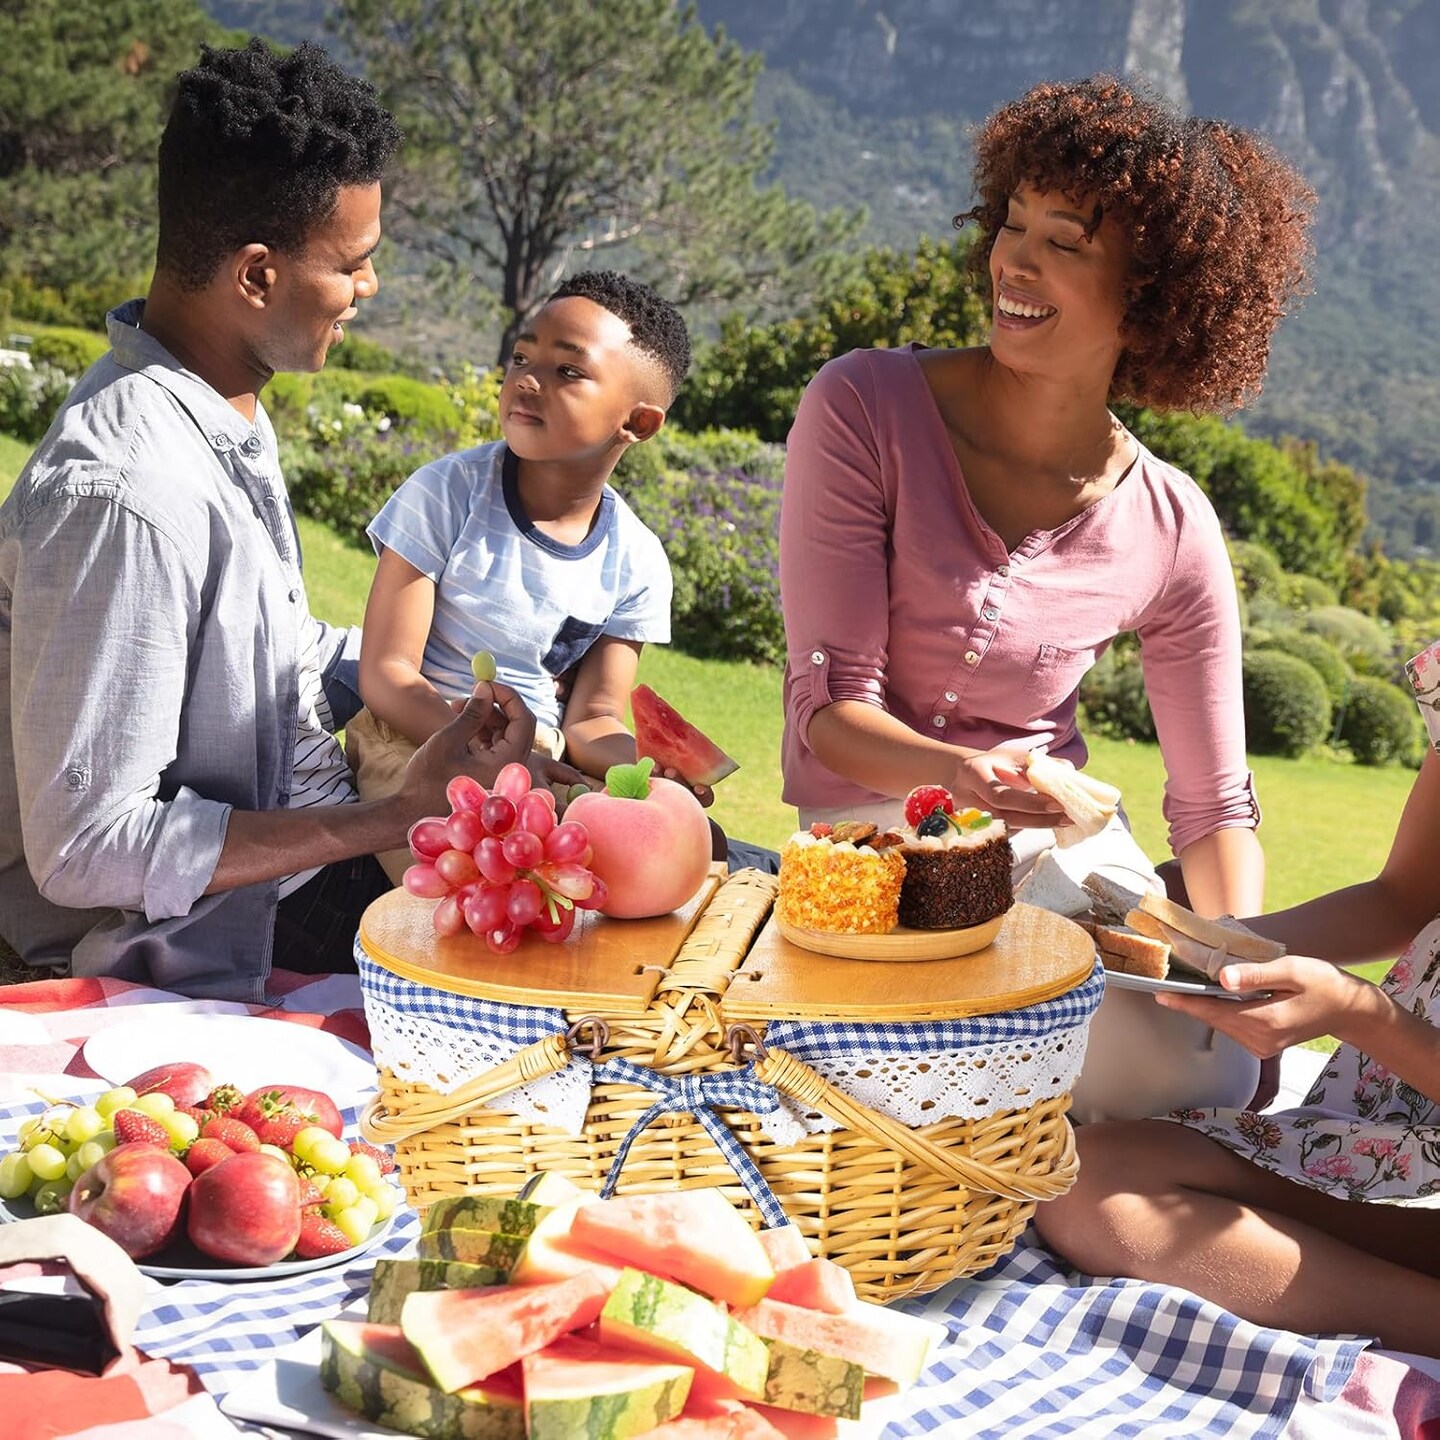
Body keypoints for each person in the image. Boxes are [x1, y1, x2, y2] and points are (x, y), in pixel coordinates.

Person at [777, 75, 1314, 1119]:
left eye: (1064, 242)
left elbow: (1214, 807)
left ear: (1155, 296)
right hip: (877, 843)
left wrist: (1227, 965)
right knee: (1096, 1073)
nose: (1012, 259)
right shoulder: (863, 407)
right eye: (1012, 223)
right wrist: (968, 776)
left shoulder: (1173, 522)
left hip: (1063, 852)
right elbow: (830, 721)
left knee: (1205, 1071)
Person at [0, 39, 551, 1002]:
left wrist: (444, 672)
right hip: (245, 918)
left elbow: (267, 645)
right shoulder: (125, 494)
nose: (368, 288)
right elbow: (87, 847)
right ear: (256, 276)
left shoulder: (222, 407)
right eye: (354, 265)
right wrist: (395, 818)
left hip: (317, 842)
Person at [1033, 730, 1440, 1358]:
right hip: (1406, 1130)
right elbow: (1405, 898)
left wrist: (1359, 1015)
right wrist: (1211, 945)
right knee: (1091, 1179)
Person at [347, 270, 694, 884]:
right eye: (521, 356)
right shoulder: (446, 494)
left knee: (669, 861)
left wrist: (647, 767)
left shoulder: (636, 559)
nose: (526, 379)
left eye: (568, 370)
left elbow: (593, 719)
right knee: (491, 882)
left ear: (638, 424)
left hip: (537, 761)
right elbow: (386, 675)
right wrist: (488, 752)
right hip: (418, 740)